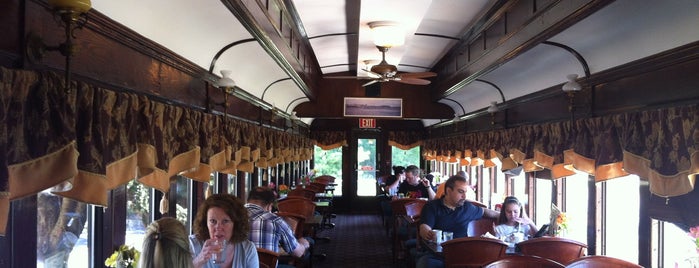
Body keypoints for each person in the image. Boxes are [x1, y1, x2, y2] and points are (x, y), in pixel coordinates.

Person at [416, 175, 500, 268]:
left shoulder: (467, 207)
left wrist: (504, 216)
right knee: (426, 263)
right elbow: (424, 227)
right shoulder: (432, 207)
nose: (464, 196)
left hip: (463, 255)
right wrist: (429, 233)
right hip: (438, 255)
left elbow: (485, 211)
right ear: (448, 191)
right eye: (461, 192)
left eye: (465, 192)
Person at [189, 194, 258, 268]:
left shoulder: (247, 249)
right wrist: (200, 259)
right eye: (213, 221)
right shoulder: (192, 245)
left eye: (225, 221)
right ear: (205, 223)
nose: (218, 227)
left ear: (236, 224)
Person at [245, 187, 311, 261]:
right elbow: (297, 253)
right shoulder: (275, 221)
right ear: (269, 206)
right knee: (306, 252)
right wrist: (304, 245)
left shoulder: (232, 216)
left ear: (248, 201)